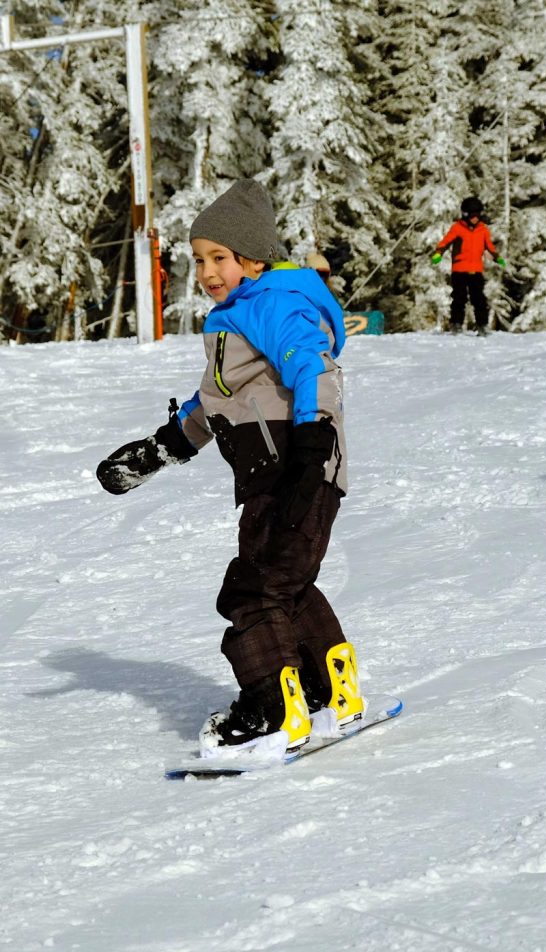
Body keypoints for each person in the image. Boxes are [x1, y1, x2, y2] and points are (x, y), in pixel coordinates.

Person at [95, 179, 364, 759]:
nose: (208, 271)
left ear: (253, 257)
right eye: (199, 260)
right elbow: (212, 404)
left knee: (253, 589)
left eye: (220, 257)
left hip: (298, 468)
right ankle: (328, 689)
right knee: (285, 584)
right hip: (268, 475)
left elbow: (310, 367)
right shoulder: (231, 317)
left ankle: (272, 707)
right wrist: (159, 449)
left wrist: (312, 449)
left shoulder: (275, 303)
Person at [432, 196, 505, 334]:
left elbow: (489, 247)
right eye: (472, 216)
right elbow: (445, 242)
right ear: (465, 215)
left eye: (478, 216)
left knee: (479, 299)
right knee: (459, 298)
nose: (475, 219)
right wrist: (439, 253)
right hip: (459, 269)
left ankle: (482, 325)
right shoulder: (458, 228)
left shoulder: (483, 229)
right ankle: (456, 323)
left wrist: (497, 258)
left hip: (476, 269)